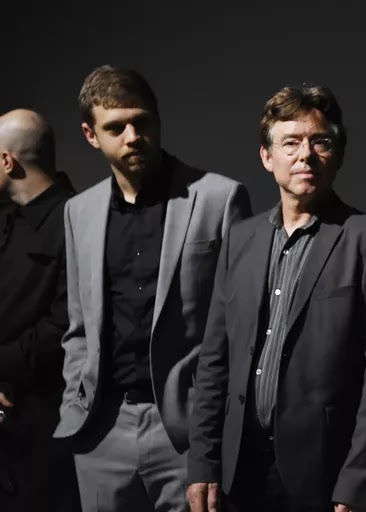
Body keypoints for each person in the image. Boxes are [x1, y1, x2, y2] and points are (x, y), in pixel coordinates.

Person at [187, 85, 366, 512]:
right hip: (240, 468)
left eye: (319, 141)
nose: (305, 154)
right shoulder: (240, 239)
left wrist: (357, 485)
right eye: (290, 142)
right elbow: (215, 359)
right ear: (267, 157)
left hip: (322, 472)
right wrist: (203, 461)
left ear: (337, 154)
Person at [53, 65, 252, 512]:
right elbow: (78, 324)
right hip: (101, 429)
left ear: (158, 120)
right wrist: (75, 402)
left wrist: (213, 430)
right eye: (115, 127)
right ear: (90, 135)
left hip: (186, 432)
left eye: (142, 121)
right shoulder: (79, 211)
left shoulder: (219, 198)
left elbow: (240, 328)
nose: (133, 136)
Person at [0, 109, 81, 512]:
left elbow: (65, 325)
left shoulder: (77, 220)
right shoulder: (7, 222)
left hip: (46, 428)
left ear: (6, 161)